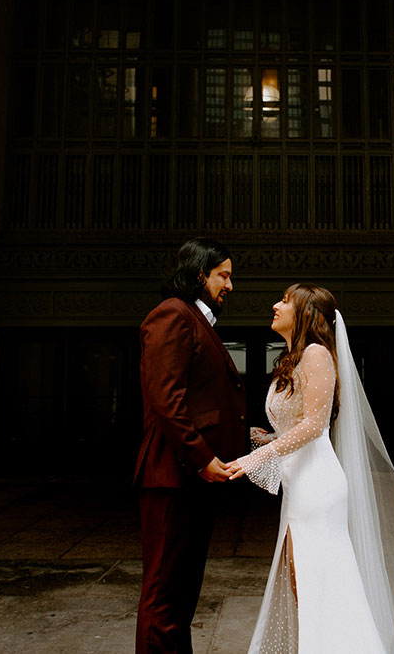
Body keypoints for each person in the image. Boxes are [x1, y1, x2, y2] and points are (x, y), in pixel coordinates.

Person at [227, 284, 394, 654]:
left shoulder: (317, 354)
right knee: (301, 580)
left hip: (317, 485)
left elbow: (314, 426)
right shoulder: (296, 358)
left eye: (285, 301)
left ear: (305, 312)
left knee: (320, 580)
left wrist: (255, 458)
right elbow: (298, 424)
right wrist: (266, 436)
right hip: (300, 482)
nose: (275, 305)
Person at [134, 237, 248, 653]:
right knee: (165, 598)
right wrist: (203, 459)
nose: (230, 286)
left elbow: (204, 403)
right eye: (224, 276)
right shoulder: (172, 315)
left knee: (181, 598)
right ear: (200, 274)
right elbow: (168, 400)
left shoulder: (196, 321)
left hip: (190, 480)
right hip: (172, 476)